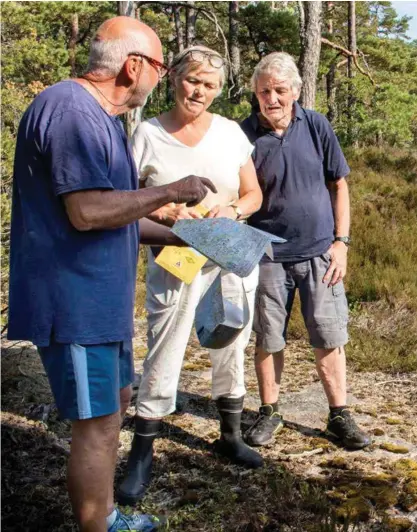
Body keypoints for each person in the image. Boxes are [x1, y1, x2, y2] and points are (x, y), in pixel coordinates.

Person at [7, 17, 217, 532]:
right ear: (133, 66)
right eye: (162, 66)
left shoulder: (102, 118)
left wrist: (193, 238)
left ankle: (107, 515)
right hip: (74, 302)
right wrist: (171, 191)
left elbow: (116, 214)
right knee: (97, 425)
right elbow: (87, 211)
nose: (162, 78)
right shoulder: (70, 110)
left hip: (102, 304)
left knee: (116, 403)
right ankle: (97, 527)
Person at [117, 45, 264, 507]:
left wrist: (233, 208)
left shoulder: (230, 133)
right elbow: (125, 196)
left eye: (210, 85)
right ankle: (143, 448)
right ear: (175, 77)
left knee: (232, 339)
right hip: (174, 258)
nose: (199, 91)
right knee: (166, 343)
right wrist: (163, 208)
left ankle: (231, 433)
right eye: (192, 80)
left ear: (219, 91)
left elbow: (253, 193)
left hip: (230, 254)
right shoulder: (147, 133)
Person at [240, 52, 371, 450]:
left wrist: (341, 243)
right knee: (268, 337)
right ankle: (269, 411)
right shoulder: (242, 135)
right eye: (265, 91)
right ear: (255, 93)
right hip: (267, 254)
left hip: (320, 254)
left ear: (296, 91)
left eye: (280, 90)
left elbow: (340, 185)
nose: (272, 98)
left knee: (329, 336)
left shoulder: (315, 125)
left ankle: (339, 415)